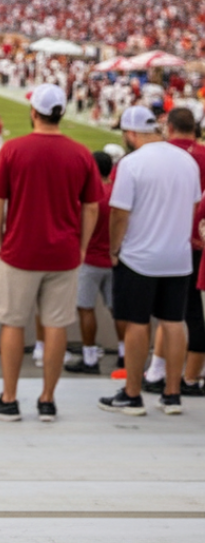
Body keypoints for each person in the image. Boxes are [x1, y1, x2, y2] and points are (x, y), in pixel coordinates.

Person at [0, 85, 100, 422]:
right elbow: (91, 207)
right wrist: (80, 246)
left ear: (33, 111)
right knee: (56, 326)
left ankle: (9, 398)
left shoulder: (13, 149)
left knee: (12, 322)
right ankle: (47, 399)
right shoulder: (80, 154)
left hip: (20, 249)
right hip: (63, 253)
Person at [100, 105, 201, 417]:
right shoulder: (187, 160)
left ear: (131, 134)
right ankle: (172, 394)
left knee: (137, 323)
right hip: (178, 254)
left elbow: (119, 213)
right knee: (173, 322)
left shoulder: (132, 163)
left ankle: (132, 393)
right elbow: (195, 202)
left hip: (140, 255)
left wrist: (114, 248)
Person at [151, 107, 205, 392]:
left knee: (172, 313)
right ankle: (184, 376)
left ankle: (163, 374)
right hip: (194, 242)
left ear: (170, 127)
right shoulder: (202, 155)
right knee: (189, 312)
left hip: (166, 240)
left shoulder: (159, 155)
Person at [65, 150, 116, 375]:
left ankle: (90, 357)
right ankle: (125, 355)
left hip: (90, 260)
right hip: (115, 259)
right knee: (119, 310)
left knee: (86, 309)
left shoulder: (89, 196)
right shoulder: (117, 192)